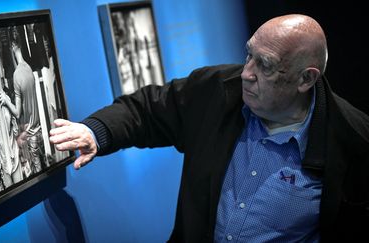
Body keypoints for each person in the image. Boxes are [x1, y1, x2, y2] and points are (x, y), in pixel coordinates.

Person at [49, 14, 369, 242]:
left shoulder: (354, 141)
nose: (246, 73)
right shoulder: (217, 90)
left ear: (306, 79)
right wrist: (95, 131)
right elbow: (147, 109)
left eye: (265, 65)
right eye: (249, 55)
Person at [0, 26, 43, 176]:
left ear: (11, 46)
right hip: (37, 129)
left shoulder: (18, 75)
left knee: (37, 174)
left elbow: (17, 113)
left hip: (30, 134)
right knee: (40, 167)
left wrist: (5, 99)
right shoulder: (28, 68)